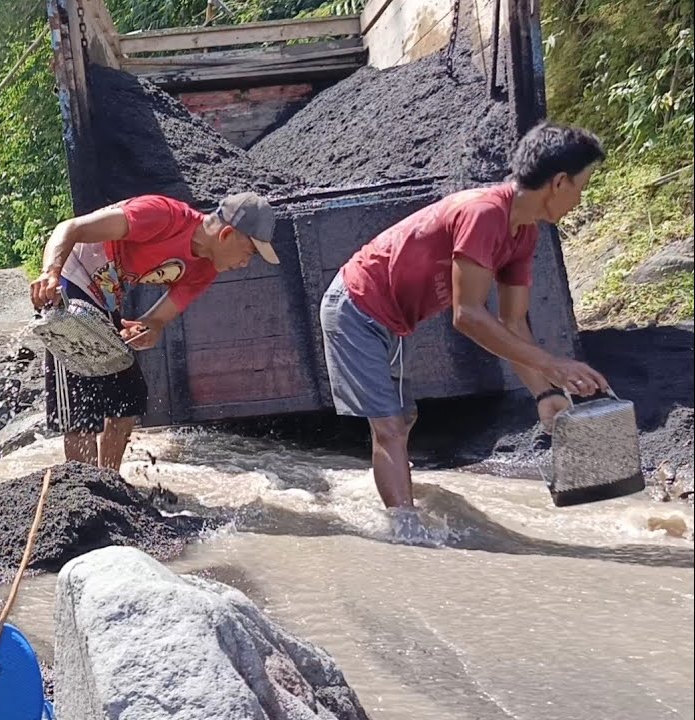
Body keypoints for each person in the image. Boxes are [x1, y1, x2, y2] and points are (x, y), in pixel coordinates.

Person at [319, 122, 610, 512]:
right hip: (356, 305)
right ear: (559, 183)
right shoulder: (484, 213)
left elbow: (513, 323)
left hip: (393, 320)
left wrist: (545, 393)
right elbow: (467, 315)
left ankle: (399, 509)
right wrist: (553, 364)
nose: (580, 199)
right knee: (388, 428)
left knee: (401, 422)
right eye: (582, 186)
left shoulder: (524, 233)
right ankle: (406, 533)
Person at [31, 192, 280, 471]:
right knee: (80, 405)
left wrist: (148, 328)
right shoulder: (163, 215)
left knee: (128, 397)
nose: (246, 264)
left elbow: (156, 320)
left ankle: (108, 483)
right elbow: (70, 228)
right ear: (227, 234)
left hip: (105, 298)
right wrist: (50, 273)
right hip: (70, 282)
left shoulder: (205, 270)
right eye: (250, 253)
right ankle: (82, 487)